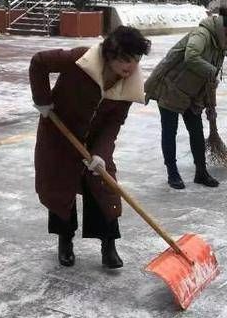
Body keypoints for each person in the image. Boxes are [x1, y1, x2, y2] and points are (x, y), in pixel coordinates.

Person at [30, 26, 151, 269]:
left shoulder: (128, 86)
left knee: (105, 187)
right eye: (126, 60)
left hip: (94, 140)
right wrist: (42, 100)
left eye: (136, 60)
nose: (131, 67)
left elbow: (113, 123)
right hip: (59, 135)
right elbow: (39, 61)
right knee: (60, 189)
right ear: (110, 54)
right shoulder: (80, 59)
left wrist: (101, 154)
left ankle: (109, 246)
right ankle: (65, 241)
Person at [145, 7, 227, 189]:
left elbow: (210, 79)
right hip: (171, 89)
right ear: (226, 30)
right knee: (170, 131)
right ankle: (172, 172)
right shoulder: (202, 34)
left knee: (196, 132)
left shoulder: (220, 46)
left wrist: (210, 104)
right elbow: (191, 57)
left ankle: (201, 172)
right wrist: (212, 71)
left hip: (193, 95)